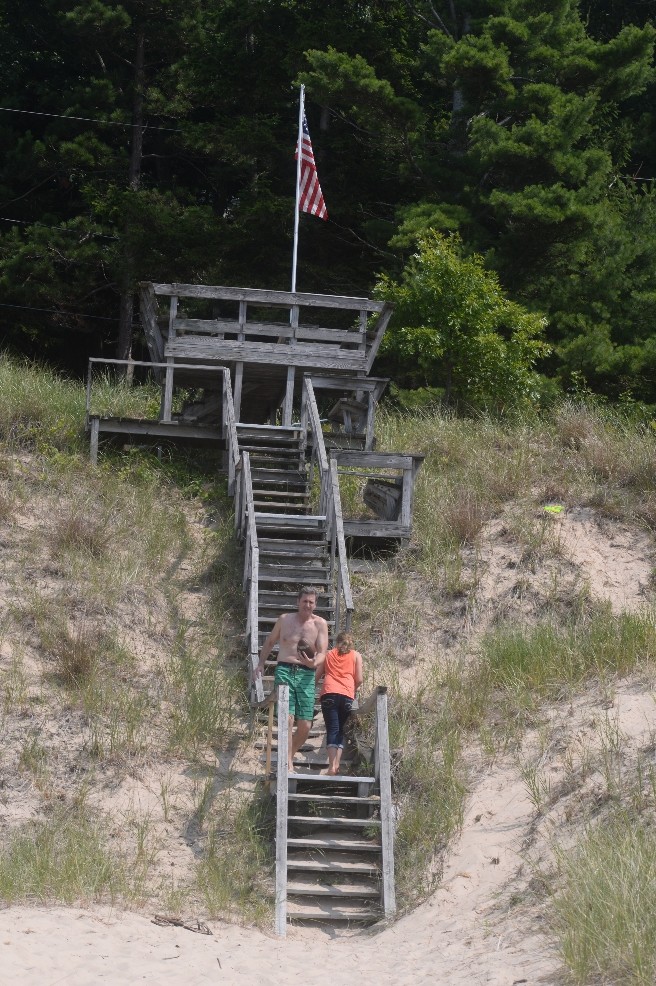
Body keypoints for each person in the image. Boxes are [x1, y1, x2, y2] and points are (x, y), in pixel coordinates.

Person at [254, 586, 328, 772]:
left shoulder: (320, 624)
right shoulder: (284, 619)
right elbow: (270, 642)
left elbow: (322, 653)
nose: (307, 605)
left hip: (307, 674)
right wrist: (261, 663)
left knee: (305, 725)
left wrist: (313, 663)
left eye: (311, 602)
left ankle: (288, 755)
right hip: (285, 670)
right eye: (305, 601)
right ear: (298, 602)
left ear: (315, 604)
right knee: (287, 718)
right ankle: (287, 763)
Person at [316, 631, 363, 776]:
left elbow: (317, 676)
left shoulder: (328, 654)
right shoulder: (356, 655)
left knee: (332, 729)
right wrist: (352, 690)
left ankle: (331, 766)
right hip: (347, 695)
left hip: (329, 693)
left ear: (336, 642)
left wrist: (314, 692)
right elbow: (359, 679)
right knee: (340, 730)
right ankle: (336, 764)